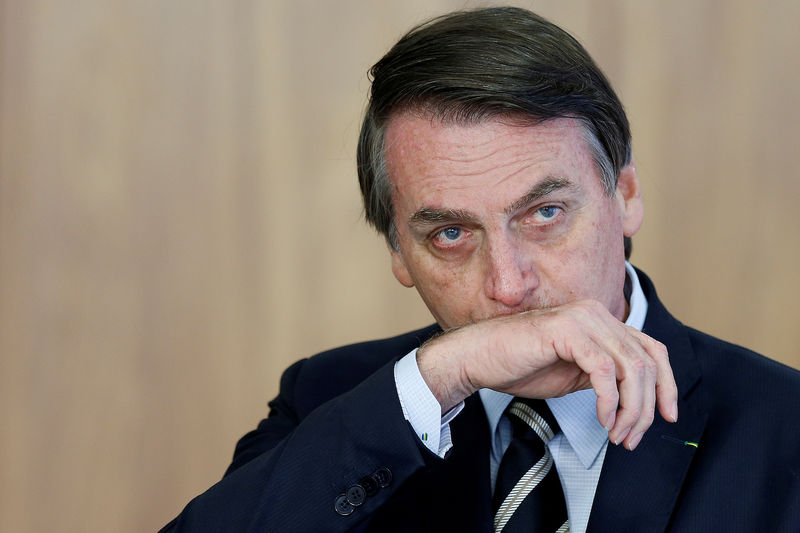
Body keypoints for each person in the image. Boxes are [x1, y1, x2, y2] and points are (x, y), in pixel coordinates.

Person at [161, 7, 800, 532]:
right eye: (450, 233)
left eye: (545, 212)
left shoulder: (784, 424)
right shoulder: (330, 401)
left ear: (625, 195)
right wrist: (442, 376)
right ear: (396, 252)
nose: (508, 284)